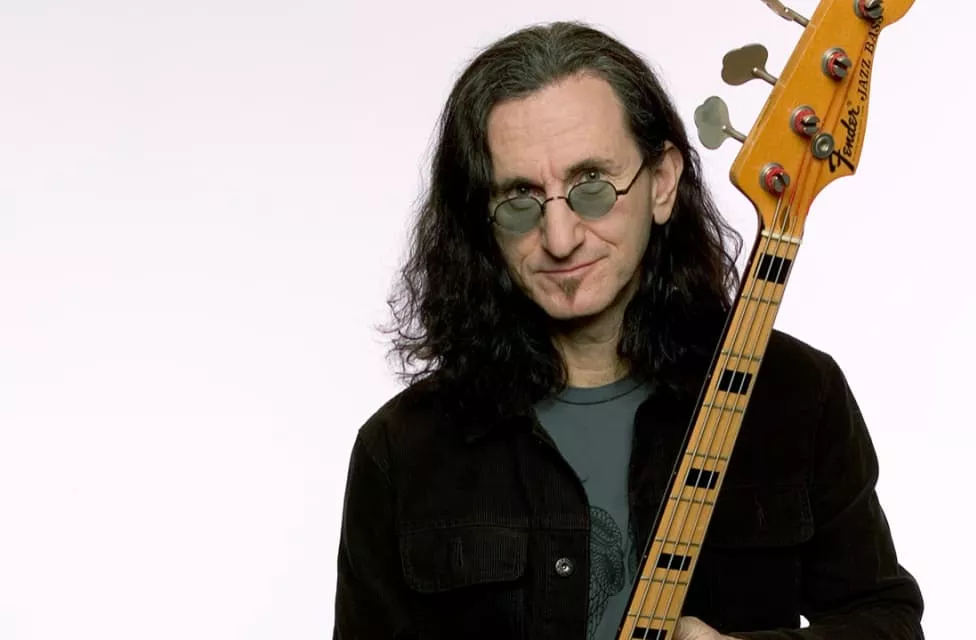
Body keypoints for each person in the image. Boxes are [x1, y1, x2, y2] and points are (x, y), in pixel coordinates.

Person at [333, 20, 924, 640]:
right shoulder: (401, 450)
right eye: (520, 200)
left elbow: (884, 620)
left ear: (662, 182)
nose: (560, 239)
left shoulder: (797, 395)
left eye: (591, 186)